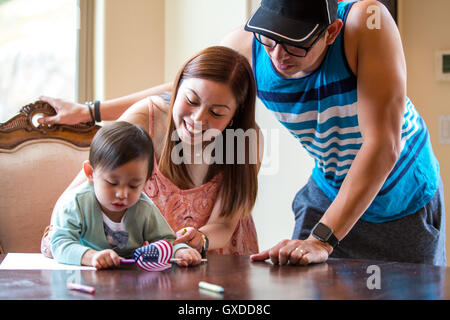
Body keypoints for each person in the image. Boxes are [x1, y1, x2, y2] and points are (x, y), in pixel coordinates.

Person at [40, 0, 446, 266]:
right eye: (269, 40)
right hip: (330, 187)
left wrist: (322, 238)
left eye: (295, 45)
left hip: (402, 195)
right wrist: (91, 110)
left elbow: (383, 146)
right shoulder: (247, 46)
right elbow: (188, 85)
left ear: (331, 32)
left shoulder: (367, 24)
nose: (278, 55)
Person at [41, 46, 261, 259]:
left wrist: (200, 239)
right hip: (153, 264)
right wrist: (65, 240)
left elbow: (224, 224)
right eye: (191, 100)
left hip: (220, 260)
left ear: (233, 116)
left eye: (216, 112)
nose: (197, 119)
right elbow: (78, 193)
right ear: (175, 89)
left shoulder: (245, 142)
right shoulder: (146, 118)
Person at [50, 121, 200, 269]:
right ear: (90, 173)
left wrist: (180, 250)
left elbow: (166, 240)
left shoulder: (144, 207)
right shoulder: (76, 203)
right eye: (112, 183)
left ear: (146, 181)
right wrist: (91, 256)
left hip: (130, 280)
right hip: (84, 275)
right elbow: (60, 243)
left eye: (133, 186)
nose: (122, 194)